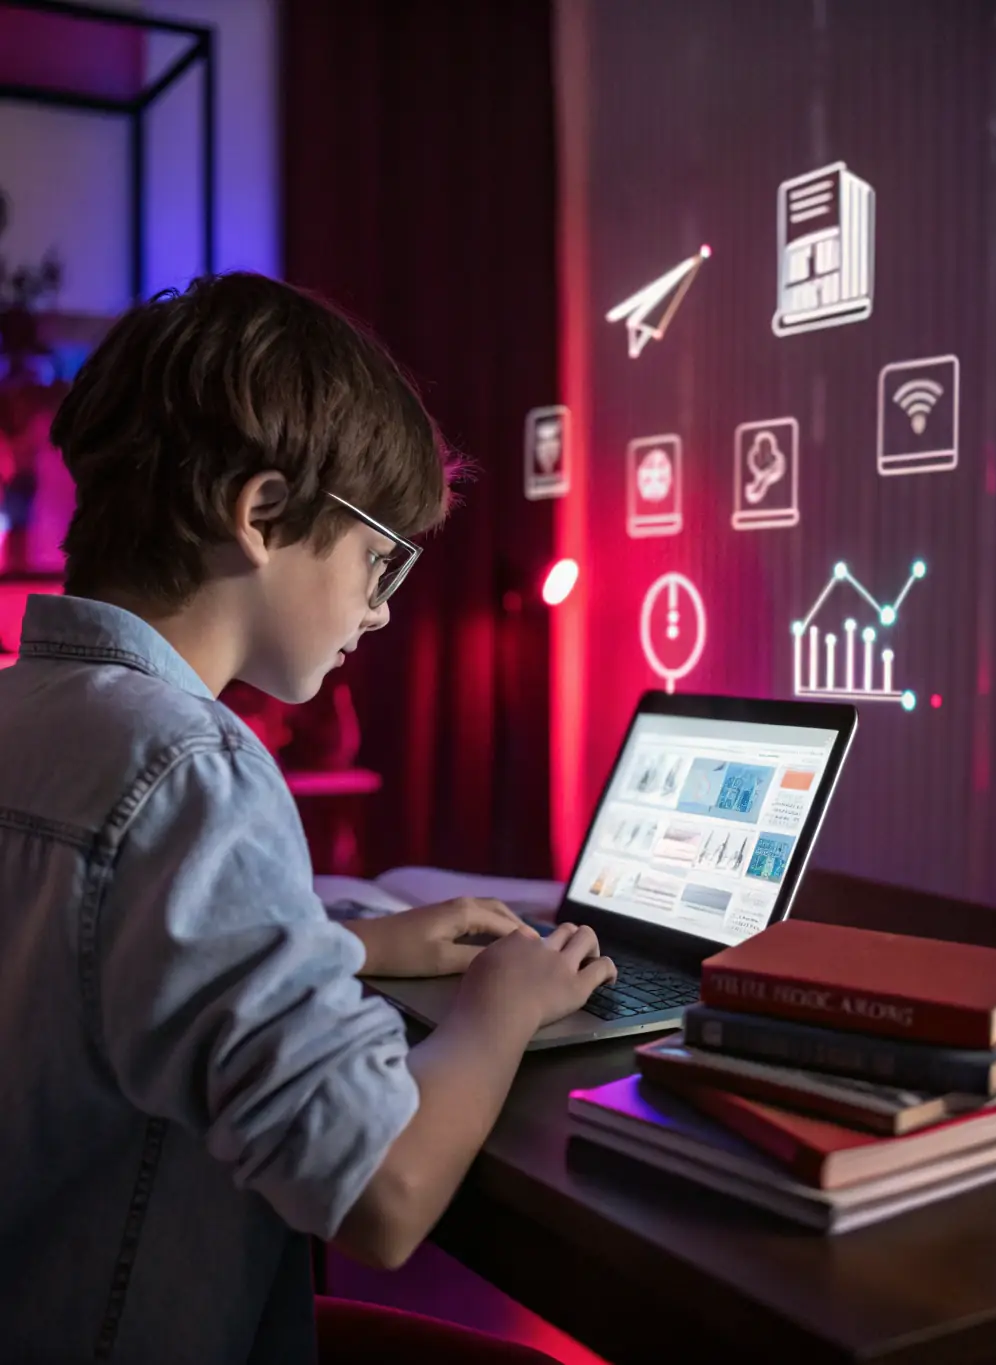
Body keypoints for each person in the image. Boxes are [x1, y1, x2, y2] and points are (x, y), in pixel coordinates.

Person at [0, 274, 616, 1364]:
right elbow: (384, 1193)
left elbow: (80, 968)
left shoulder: (23, 708)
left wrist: (345, 942)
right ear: (264, 513)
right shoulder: (194, 772)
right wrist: (500, 1012)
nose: (380, 609)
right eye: (379, 559)